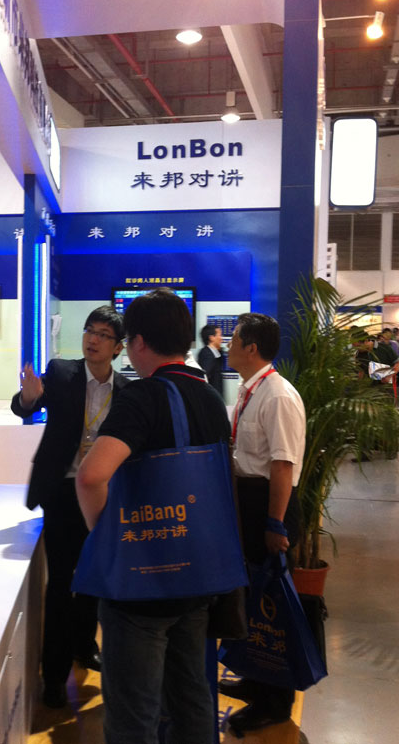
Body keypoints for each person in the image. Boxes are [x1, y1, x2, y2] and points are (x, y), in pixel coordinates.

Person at [76, 288, 231, 744]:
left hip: (142, 583)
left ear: (139, 342)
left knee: (133, 715)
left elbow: (91, 476)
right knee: (192, 698)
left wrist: (106, 537)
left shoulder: (142, 397)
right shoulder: (209, 397)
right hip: (198, 574)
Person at [10, 306, 128, 708]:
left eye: (103, 335)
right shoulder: (62, 372)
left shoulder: (125, 391)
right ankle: (54, 676)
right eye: (90, 331)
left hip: (103, 496)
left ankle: (84, 645)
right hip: (62, 493)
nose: (93, 339)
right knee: (61, 584)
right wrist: (28, 398)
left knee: (93, 578)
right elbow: (25, 404)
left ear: (118, 347)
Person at [218, 312, 306, 735]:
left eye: (234, 339)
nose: (228, 345)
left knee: (271, 606)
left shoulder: (278, 396)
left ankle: (275, 702)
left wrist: (275, 524)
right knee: (254, 601)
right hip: (250, 505)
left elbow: (282, 465)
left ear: (251, 348)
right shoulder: (250, 389)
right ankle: (256, 681)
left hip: (270, 507)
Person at [196, 323, 224, 397]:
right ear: (212, 338)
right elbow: (205, 378)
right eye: (219, 335)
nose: (221, 338)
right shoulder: (206, 354)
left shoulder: (216, 353)